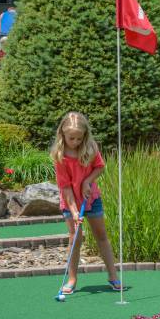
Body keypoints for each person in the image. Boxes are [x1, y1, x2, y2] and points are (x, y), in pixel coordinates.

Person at [50, 112, 122, 295]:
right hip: (70, 201)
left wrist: (87, 181)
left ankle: (113, 276)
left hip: (92, 199)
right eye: (71, 138)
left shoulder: (90, 147)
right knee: (75, 238)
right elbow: (65, 187)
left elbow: (100, 167)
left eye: (78, 138)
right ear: (62, 135)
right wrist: (74, 211)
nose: (75, 142)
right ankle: (72, 279)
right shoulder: (60, 156)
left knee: (101, 236)